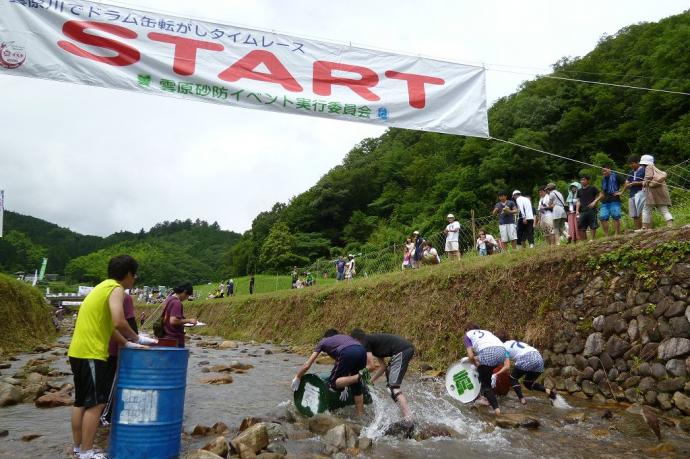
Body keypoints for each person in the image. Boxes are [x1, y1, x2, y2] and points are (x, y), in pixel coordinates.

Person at [67, 255, 154, 459]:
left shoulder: (101, 288)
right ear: (128, 275)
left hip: (77, 351)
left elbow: (107, 326)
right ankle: (87, 452)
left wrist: (126, 343)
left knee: (80, 401)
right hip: (91, 353)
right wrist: (138, 337)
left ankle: (78, 448)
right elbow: (119, 321)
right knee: (96, 403)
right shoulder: (116, 289)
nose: (135, 278)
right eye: (135, 274)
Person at [292, 329, 367, 416]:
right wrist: (345, 385)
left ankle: (359, 376)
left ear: (326, 337)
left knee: (334, 383)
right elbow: (344, 367)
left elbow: (307, 365)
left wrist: (298, 377)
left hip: (346, 352)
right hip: (362, 351)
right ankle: (360, 415)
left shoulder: (324, 341)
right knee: (357, 387)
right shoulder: (344, 338)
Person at [350, 328, 415, 420]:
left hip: (402, 350)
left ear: (356, 340)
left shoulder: (365, 342)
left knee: (394, 387)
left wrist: (358, 375)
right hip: (403, 350)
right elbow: (383, 367)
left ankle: (408, 419)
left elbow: (371, 366)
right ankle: (403, 414)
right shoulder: (374, 344)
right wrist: (371, 381)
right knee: (390, 387)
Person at [101, 292, 138, 425]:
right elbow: (129, 323)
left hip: (101, 348)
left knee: (104, 383)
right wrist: (137, 339)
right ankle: (106, 417)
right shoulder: (124, 297)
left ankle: (101, 416)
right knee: (114, 385)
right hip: (116, 349)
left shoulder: (103, 295)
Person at [496, 332, 557, 405]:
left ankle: (522, 400)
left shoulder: (503, 347)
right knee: (528, 383)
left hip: (527, 357)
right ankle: (549, 391)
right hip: (538, 357)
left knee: (512, 379)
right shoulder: (513, 342)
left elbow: (505, 365)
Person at [463, 323, 509, 415]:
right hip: (502, 351)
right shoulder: (486, 332)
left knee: (485, 385)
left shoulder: (467, 335)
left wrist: (474, 362)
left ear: (467, 330)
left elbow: (471, 356)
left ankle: (496, 409)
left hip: (488, 352)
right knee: (486, 375)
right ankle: (486, 397)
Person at [641, 155, 673, 230]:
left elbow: (648, 178)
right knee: (664, 209)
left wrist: (644, 183)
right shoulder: (656, 169)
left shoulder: (648, 167)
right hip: (660, 193)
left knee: (646, 209)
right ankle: (670, 224)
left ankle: (644, 227)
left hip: (651, 194)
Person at [162, 283, 197, 348]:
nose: (187, 298)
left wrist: (183, 323)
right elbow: (173, 321)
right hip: (175, 339)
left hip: (166, 337)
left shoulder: (168, 299)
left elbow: (167, 320)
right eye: (188, 296)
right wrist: (189, 320)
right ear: (184, 292)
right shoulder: (176, 303)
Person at [598, 165, 624, 236]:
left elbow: (626, 183)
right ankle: (606, 235)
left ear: (610, 169)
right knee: (602, 217)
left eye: (605, 170)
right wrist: (596, 200)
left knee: (616, 216)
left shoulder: (616, 176)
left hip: (614, 199)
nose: (604, 172)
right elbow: (602, 191)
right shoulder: (603, 179)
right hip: (605, 201)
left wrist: (621, 192)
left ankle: (617, 234)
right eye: (603, 171)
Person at [621, 156, 646, 230]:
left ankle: (643, 228)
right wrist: (622, 192)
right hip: (632, 195)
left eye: (632, 163)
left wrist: (636, 183)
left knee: (641, 212)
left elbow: (647, 181)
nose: (631, 165)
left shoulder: (644, 170)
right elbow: (627, 183)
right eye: (630, 164)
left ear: (638, 162)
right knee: (634, 214)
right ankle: (637, 229)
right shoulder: (631, 172)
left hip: (641, 193)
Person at [575, 175, 600, 241]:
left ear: (588, 181)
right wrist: (577, 210)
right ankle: (585, 241)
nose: (582, 181)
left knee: (593, 225)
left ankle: (592, 239)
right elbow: (578, 201)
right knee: (580, 226)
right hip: (582, 210)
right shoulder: (579, 190)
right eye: (581, 180)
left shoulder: (593, 188)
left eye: (584, 180)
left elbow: (601, 194)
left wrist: (595, 202)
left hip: (592, 209)